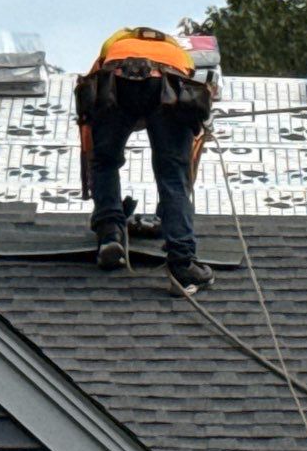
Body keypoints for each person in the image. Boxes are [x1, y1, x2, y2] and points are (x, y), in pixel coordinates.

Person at [77, 27, 215, 293]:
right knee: (172, 174)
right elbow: (189, 152)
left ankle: (110, 234)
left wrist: (94, 154)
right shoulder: (179, 55)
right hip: (168, 83)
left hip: (115, 80)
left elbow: (89, 127)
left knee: (105, 161)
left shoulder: (113, 46)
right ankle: (183, 266)